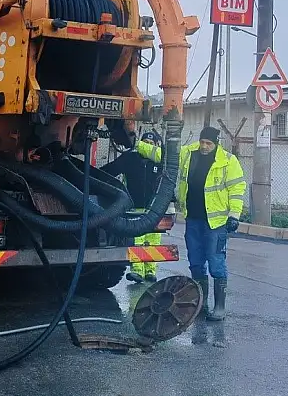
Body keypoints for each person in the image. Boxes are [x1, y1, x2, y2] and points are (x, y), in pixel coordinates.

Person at [176, 126, 246, 321]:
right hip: (193, 219)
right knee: (196, 263)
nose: (204, 146)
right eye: (202, 142)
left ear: (216, 144)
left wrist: (234, 215)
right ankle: (201, 304)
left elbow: (237, 188)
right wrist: (138, 144)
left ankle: (220, 307)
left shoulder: (228, 161)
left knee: (216, 263)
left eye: (209, 143)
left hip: (216, 223)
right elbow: (165, 154)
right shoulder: (189, 153)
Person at [101, 130, 164, 283]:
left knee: (153, 241)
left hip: (153, 209)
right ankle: (137, 272)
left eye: (151, 144)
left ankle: (150, 272)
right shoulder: (130, 158)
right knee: (137, 240)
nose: (148, 147)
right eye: (145, 144)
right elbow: (110, 170)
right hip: (134, 208)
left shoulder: (161, 161)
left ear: (156, 146)